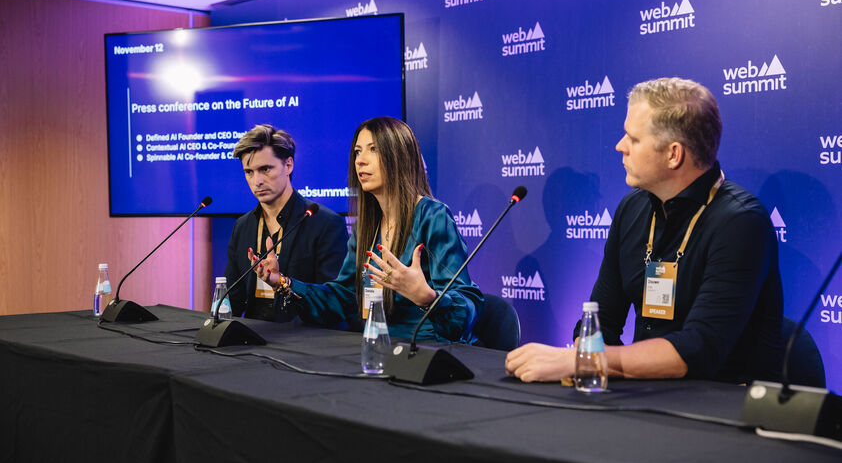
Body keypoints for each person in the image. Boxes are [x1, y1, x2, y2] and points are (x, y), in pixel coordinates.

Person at [506, 77, 783, 383]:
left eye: (633, 139)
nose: (620, 146)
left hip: (721, 408)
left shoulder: (740, 222)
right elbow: (602, 321)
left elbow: (698, 349)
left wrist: (585, 360)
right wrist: (585, 365)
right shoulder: (632, 209)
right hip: (645, 396)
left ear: (673, 154)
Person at [252, 116, 484, 342]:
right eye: (357, 152)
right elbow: (341, 299)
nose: (360, 161)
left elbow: (466, 308)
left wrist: (427, 297)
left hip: (427, 353)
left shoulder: (433, 216)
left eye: (373, 149)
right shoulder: (368, 226)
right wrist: (282, 282)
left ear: (399, 156)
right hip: (377, 348)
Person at [225, 124, 348, 322]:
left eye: (265, 169)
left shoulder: (326, 223)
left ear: (288, 165)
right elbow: (232, 300)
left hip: (304, 339)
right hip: (250, 336)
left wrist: (283, 282)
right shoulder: (242, 226)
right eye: (249, 172)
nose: (257, 181)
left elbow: (333, 302)